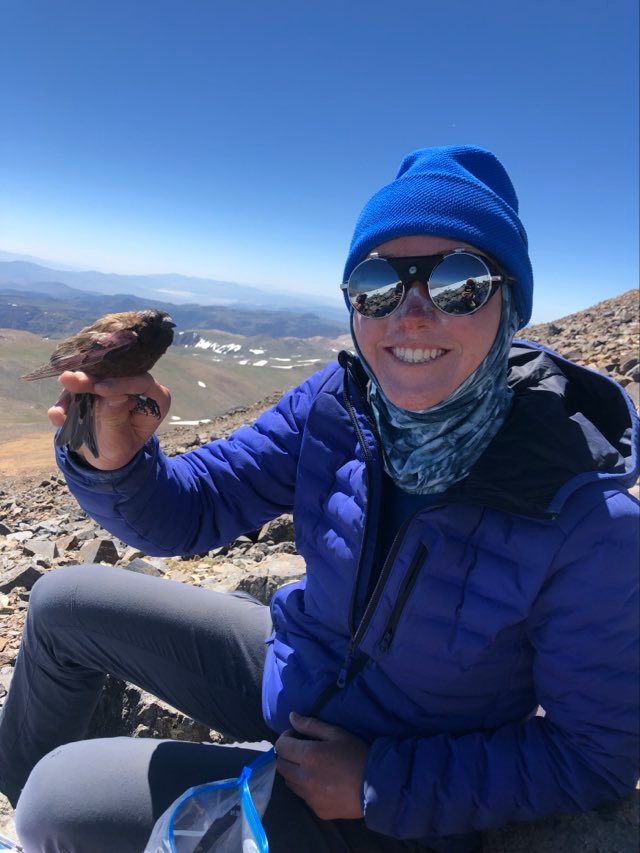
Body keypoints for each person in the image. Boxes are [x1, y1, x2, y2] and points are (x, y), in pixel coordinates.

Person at [1, 145, 638, 853]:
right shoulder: (340, 404)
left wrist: (379, 780)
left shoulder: (584, 513)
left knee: (58, 799)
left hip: (385, 797)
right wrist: (118, 464)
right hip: (297, 672)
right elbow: (193, 507)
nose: (412, 312)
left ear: (509, 302)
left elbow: (596, 754)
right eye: (377, 284)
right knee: (63, 602)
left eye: (460, 280)